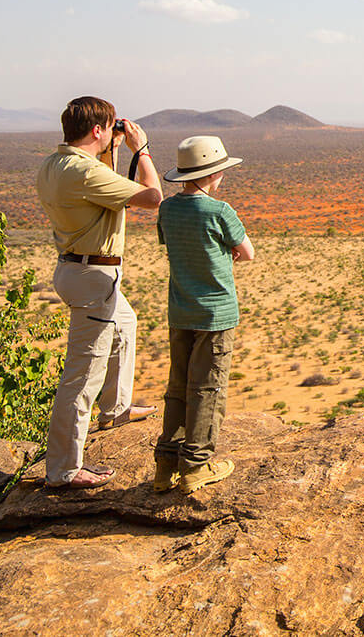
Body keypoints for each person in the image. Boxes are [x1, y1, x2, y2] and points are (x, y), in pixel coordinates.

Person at [36, 96, 162, 489]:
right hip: (93, 277)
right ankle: (63, 469)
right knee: (84, 372)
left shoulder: (55, 165)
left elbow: (103, 186)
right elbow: (152, 197)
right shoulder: (85, 172)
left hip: (76, 269)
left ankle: (116, 408)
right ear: (97, 130)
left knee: (125, 324)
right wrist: (140, 150)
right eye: (109, 127)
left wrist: (110, 149)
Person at [152, 135, 254, 494]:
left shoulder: (167, 209)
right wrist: (227, 252)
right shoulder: (219, 211)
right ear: (212, 174)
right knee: (208, 388)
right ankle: (196, 467)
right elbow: (248, 252)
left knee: (177, 386)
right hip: (215, 313)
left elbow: (175, 246)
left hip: (180, 309)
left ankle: (165, 466)